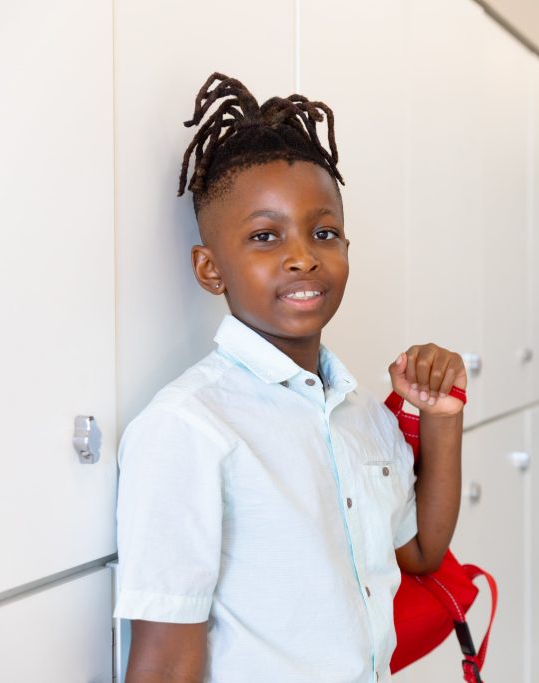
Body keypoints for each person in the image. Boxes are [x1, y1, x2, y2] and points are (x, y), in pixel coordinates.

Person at [114, 73, 466, 682]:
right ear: (210, 268)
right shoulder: (188, 429)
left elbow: (420, 552)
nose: (302, 255)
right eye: (264, 236)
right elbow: (168, 656)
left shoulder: (362, 416)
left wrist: (441, 418)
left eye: (323, 233)